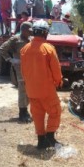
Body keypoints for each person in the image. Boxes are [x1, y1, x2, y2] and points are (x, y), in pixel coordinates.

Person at [20, 20, 63, 149]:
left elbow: (23, 71)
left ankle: (41, 141)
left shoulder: (25, 49)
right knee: (55, 112)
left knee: (38, 115)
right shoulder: (48, 48)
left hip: (31, 89)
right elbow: (56, 69)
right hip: (46, 89)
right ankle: (50, 137)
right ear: (45, 33)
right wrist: (58, 81)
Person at [0, 22, 33, 123]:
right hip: (20, 66)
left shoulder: (30, 39)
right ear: (23, 30)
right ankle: (22, 112)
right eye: (28, 31)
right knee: (22, 89)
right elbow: (2, 49)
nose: (30, 33)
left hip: (30, 67)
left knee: (29, 89)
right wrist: (10, 59)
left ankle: (26, 109)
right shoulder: (15, 39)